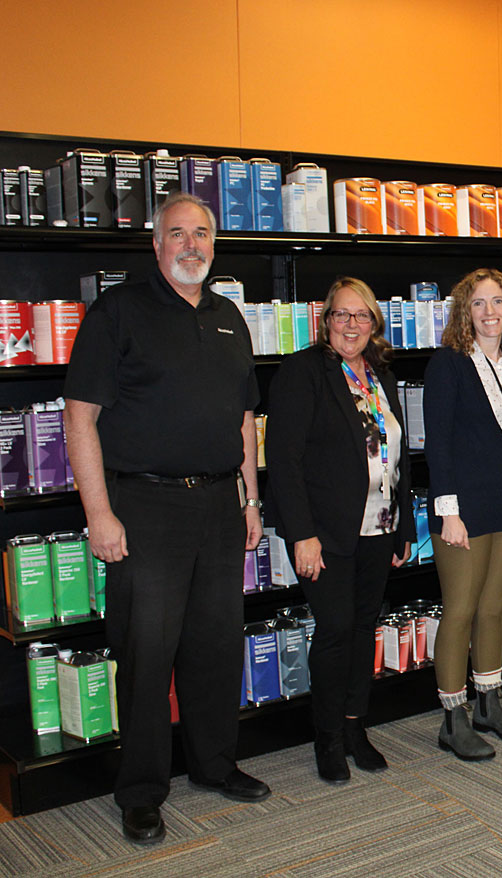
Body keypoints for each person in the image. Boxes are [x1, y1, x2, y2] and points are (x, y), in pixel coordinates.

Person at [63, 192, 270, 845]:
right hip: (144, 508)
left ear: (214, 244)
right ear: (156, 245)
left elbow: (244, 420)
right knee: (147, 653)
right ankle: (142, 790)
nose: (191, 245)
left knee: (214, 646)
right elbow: (79, 416)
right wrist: (99, 513)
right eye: (177, 234)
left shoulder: (229, 317)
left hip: (217, 505)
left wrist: (250, 500)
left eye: (202, 234)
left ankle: (212, 766)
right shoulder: (118, 312)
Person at [264, 277, 414, 784]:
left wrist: (403, 527)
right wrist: (301, 534)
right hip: (325, 534)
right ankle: (326, 738)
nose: (352, 325)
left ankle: (355, 727)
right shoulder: (302, 372)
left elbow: (398, 457)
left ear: (375, 324)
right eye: (341, 315)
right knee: (334, 631)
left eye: (362, 315)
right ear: (325, 321)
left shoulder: (380, 376)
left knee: (361, 628)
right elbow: (283, 460)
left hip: (379, 526)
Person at [423, 268, 502, 761]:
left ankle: (488, 705)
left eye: (498, 302)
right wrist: (448, 512)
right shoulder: (448, 365)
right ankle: (453, 719)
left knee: (494, 607)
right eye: (478, 303)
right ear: (464, 312)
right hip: (463, 509)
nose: (490, 312)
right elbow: (438, 445)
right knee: (461, 610)